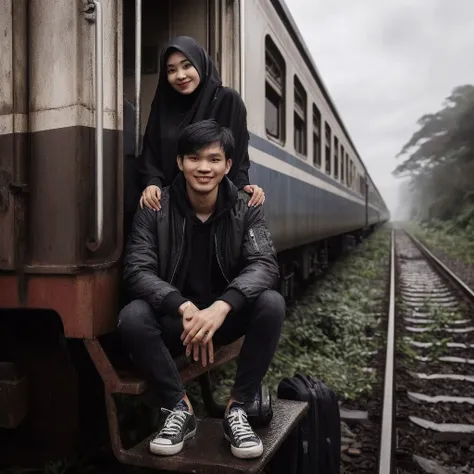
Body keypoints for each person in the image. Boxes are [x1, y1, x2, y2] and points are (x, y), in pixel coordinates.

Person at [118, 119, 285, 459]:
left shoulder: (245, 207)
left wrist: (221, 307)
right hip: (178, 319)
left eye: (213, 159)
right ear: (179, 163)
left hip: (223, 317)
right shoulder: (155, 208)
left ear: (227, 165)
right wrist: (183, 307)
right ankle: (179, 408)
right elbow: (136, 270)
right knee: (132, 316)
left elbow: (265, 264)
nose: (203, 167)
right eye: (194, 158)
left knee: (271, 303)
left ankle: (238, 408)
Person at [136, 35, 265, 212]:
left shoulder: (227, 100)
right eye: (171, 70)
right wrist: (152, 183)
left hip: (213, 209)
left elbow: (237, 156)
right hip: (167, 208)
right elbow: (151, 153)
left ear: (200, 64)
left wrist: (243, 186)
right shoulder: (163, 106)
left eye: (187, 65)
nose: (180, 75)